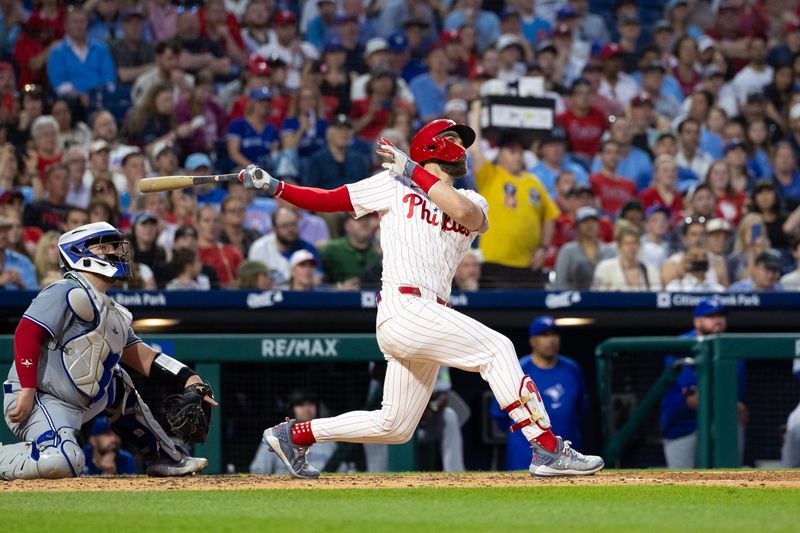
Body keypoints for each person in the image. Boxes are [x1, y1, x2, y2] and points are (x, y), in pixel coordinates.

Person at [242, 116, 603, 478]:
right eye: (452, 138)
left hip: (429, 313)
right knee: (498, 349)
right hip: (404, 306)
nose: (461, 147)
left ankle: (293, 435)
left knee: (394, 426)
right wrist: (276, 187)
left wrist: (414, 170)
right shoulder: (392, 184)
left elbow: (466, 215)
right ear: (431, 145)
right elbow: (329, 199)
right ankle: (547, 448)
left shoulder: (472, 198)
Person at [0, 222, 216, 480]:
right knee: (64, 461)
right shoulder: (65, 289)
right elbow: (26, 333)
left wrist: (190, 378)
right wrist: (27, 389)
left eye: (114, 246)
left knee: (117, 380)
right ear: (79, 253)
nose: (114, 252)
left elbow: (145, 357)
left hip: (80, 401)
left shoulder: (113, 313)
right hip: (40, 398)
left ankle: (164, 456)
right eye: (104, 247)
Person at [470, 101, 560, 289]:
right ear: (500, 153)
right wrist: (477, 110)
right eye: (511, 151)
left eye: (520, 152)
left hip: (528, 265)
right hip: (495, 263)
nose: (517, 156)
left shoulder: (533, 181)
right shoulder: (491, 175)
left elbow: (550, 217)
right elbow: (475, 148)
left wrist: (543, 248)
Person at [492, 317, 588, 471]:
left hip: (566, 454)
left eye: (554, 335)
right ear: (532, 340)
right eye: (544, 335)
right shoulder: (518, 370)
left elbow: (581, 410)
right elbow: (500, 415)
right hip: (524, 456)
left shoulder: (572, 369)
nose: (550, 340)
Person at [660, 297, 747, 469]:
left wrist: (736, 407)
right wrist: (732, 405)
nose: (718, 320)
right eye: (711, 316)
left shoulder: (731, 348)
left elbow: (740, 404)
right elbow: (693, 399)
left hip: (719, 424)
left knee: (729, 477)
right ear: (697, 321)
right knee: (681, 485)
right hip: (682, 426)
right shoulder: (681, 346)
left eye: (721, 315)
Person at [250, 390, 338, 475]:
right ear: (292, 410)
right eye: (301, 405)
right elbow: (257, 472)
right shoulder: (274, 438)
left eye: (311, 404)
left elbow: (342, 473)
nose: (307, 409)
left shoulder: (328, 440)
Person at [248, 206, 320, 290]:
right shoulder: (260, 248)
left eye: (293, 224)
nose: (290, 229)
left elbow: (318, 278)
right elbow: (254, 281)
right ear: (274, 228)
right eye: (284, 226)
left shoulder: (308, 249)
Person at [554, 207, 615, 290]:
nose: (590, 225)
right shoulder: (567, 251)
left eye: (593, 221)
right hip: (575, 299)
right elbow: (560, 282)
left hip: (606, 299)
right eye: (585, 222)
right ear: (577, 227)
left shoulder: (610, 251)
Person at [593, 223, 661, 291]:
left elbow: (656, 296)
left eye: (634, 243)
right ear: (619, 247)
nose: (631, 247)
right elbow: (596, 296)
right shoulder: (605, 268)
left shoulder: (651, 271)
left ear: (639, 245)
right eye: (626, 243)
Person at [320, 214, 379, 289]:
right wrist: (339, 287)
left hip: (375, 298)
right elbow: (316, 284)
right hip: (340, 298)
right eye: (358, 219)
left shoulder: (380, 251)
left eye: (367, 218)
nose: (364, 223)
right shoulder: (332, 250)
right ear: (347, 225)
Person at [0, 214, 37, 290]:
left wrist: (20, 284)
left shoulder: (23, 262)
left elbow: (34, 294)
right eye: (0, 231)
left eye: (5, 231)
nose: (3, 235)